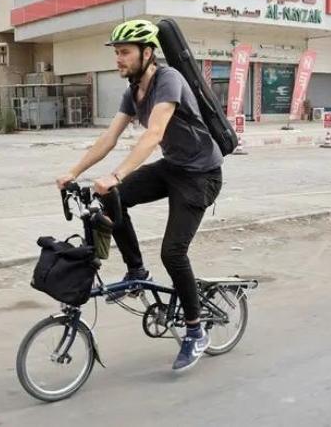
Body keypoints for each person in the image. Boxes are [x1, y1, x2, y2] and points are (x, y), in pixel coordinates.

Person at [56, 19, 223, 371]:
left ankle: (195, 331)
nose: (118, 59)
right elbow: (109, 138)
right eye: (116, 52)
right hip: (174, 167)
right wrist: (74, 171)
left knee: (173, 253)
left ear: (147, 53)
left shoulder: (168, 80)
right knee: (108, 198)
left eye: (125, 52)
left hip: (201, 175)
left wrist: (116, 173)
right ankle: (135, 271)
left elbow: (153, 133)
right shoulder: (133, 91)